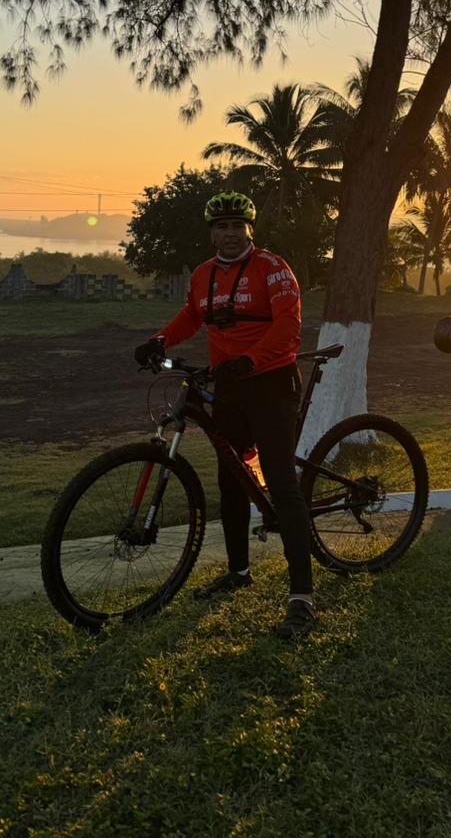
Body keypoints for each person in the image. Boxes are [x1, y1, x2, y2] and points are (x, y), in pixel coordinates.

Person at [133, 191, 316, 640]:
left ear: (249, 230)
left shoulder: (273, 268)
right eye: (222, 226)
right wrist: (160, 340)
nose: (230, 233)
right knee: (231, 480)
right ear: (212, 233)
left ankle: (302, 596)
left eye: (238, 225)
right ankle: (238, 571)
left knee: (281, 483)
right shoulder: (203, 275)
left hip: (271, 384)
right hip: (229, 386)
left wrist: (251, 360)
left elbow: (287, 326)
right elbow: (191, 316)